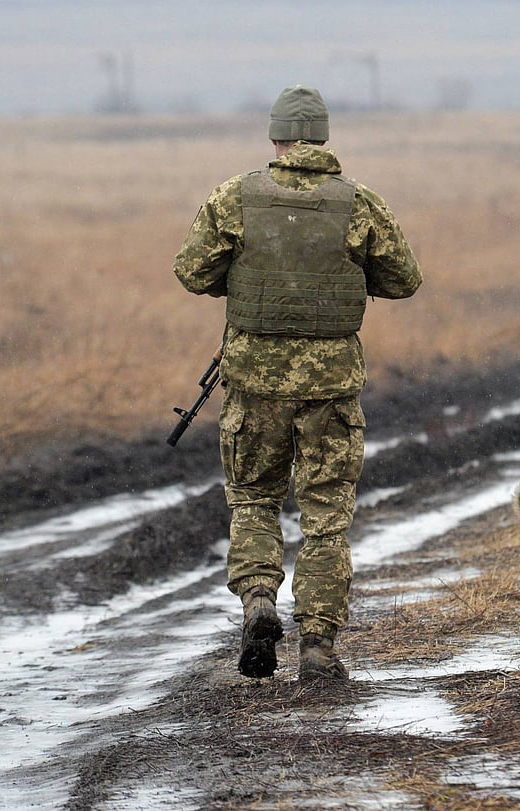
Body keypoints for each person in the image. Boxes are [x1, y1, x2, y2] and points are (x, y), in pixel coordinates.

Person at [173, 86, 421, 681]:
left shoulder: (233, 197)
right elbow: (404, 280)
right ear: (324, 137)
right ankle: (318, 645)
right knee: (326, 516)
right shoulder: (360, 203)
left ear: (275, 138)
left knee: (254, 498)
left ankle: (259, 600)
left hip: (253, 383)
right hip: (331, 388)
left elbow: (191, 271)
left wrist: (249, 280)